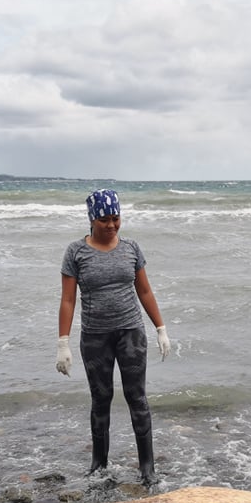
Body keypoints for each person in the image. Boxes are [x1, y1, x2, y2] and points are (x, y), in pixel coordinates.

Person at [56, 189, 171, 486]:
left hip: (130, 333)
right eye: (105, 219)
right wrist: (63, 343)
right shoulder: (76, 252)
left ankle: (147, 468)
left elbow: (144, 291)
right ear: (92, 219)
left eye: (116, 218)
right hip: (95, 337)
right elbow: (68, 300)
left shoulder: (131, 248)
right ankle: (99, 465)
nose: (111, 225)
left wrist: (160, 328)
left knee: (137, 398)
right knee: (101, 399)